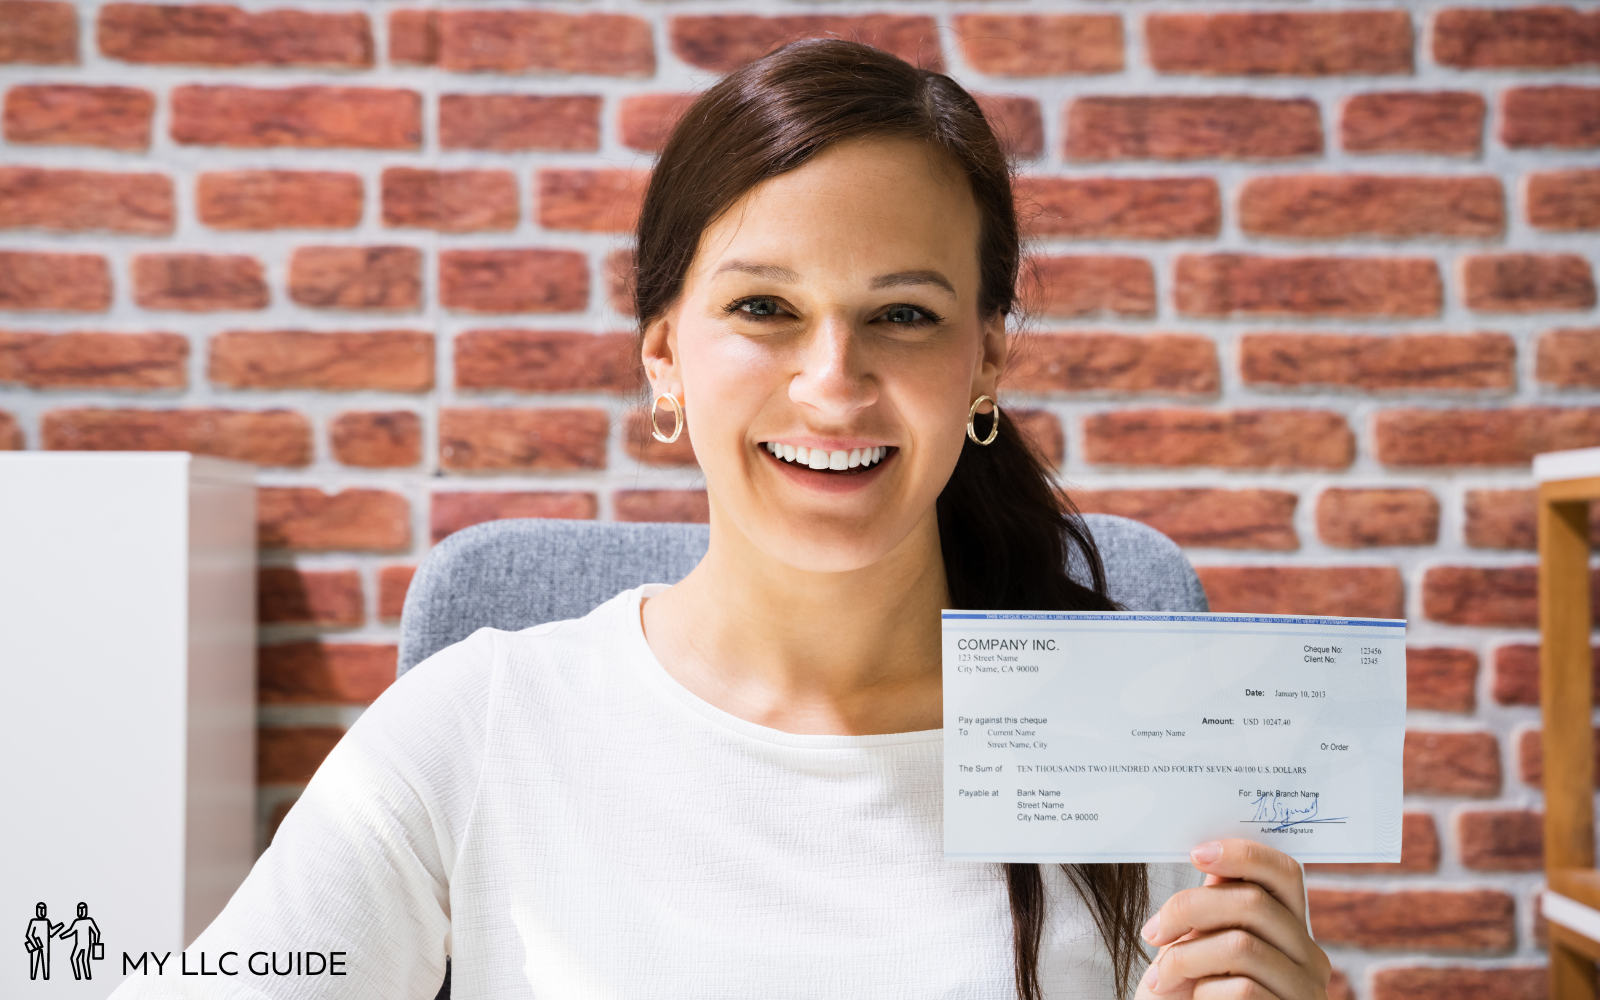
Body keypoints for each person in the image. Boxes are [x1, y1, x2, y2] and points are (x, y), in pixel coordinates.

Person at [106, 37, 1331, 1000]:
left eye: (902, 315)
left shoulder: (1134, 736)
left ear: (985, 364)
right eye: (763, 307)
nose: (832, 380)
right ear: (664, 359)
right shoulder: (481, 725)